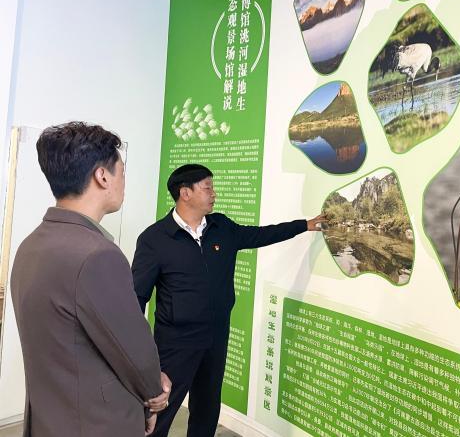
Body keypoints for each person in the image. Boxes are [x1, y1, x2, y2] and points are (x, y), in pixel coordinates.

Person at [132, 164, 325, 437]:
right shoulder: (155, 239)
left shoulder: (221, 227)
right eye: (207, 188)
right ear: (185, 193)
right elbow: (136, 298)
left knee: (207, 406)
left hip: (216, 336)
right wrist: (139, 352)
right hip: (176, 341)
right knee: (161, 408)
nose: (214, 194)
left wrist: (304, 225)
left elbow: (261, 234)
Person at [11, 122, 171, 437]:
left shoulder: (32, 244)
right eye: (122, 172)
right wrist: (155, 393)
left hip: (49, 417)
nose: (124, 182)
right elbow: (133, 350)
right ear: (102, 176)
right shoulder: (98, 255)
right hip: (95, 421)